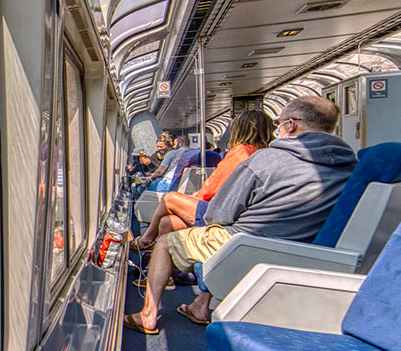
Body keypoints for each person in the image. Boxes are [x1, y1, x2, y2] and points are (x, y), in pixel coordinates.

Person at [124, 95, 356, 333]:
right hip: (306, 253)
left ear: (292, 125)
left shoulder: (265, 160)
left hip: (245, 245)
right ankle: (199, 304)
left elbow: (218, 215)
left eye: (280, 123)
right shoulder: (350, 167)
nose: (279, 129)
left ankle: (148, 315)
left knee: (166, 242)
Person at [133, 110, 274, 249]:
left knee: (170, 198)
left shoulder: (240, 152)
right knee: (166, 223)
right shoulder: (265, 154)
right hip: (241, 215)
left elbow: (213, 187)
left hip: (221, 213)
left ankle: (146, 240)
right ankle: (169, 265)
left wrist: (196, 196)